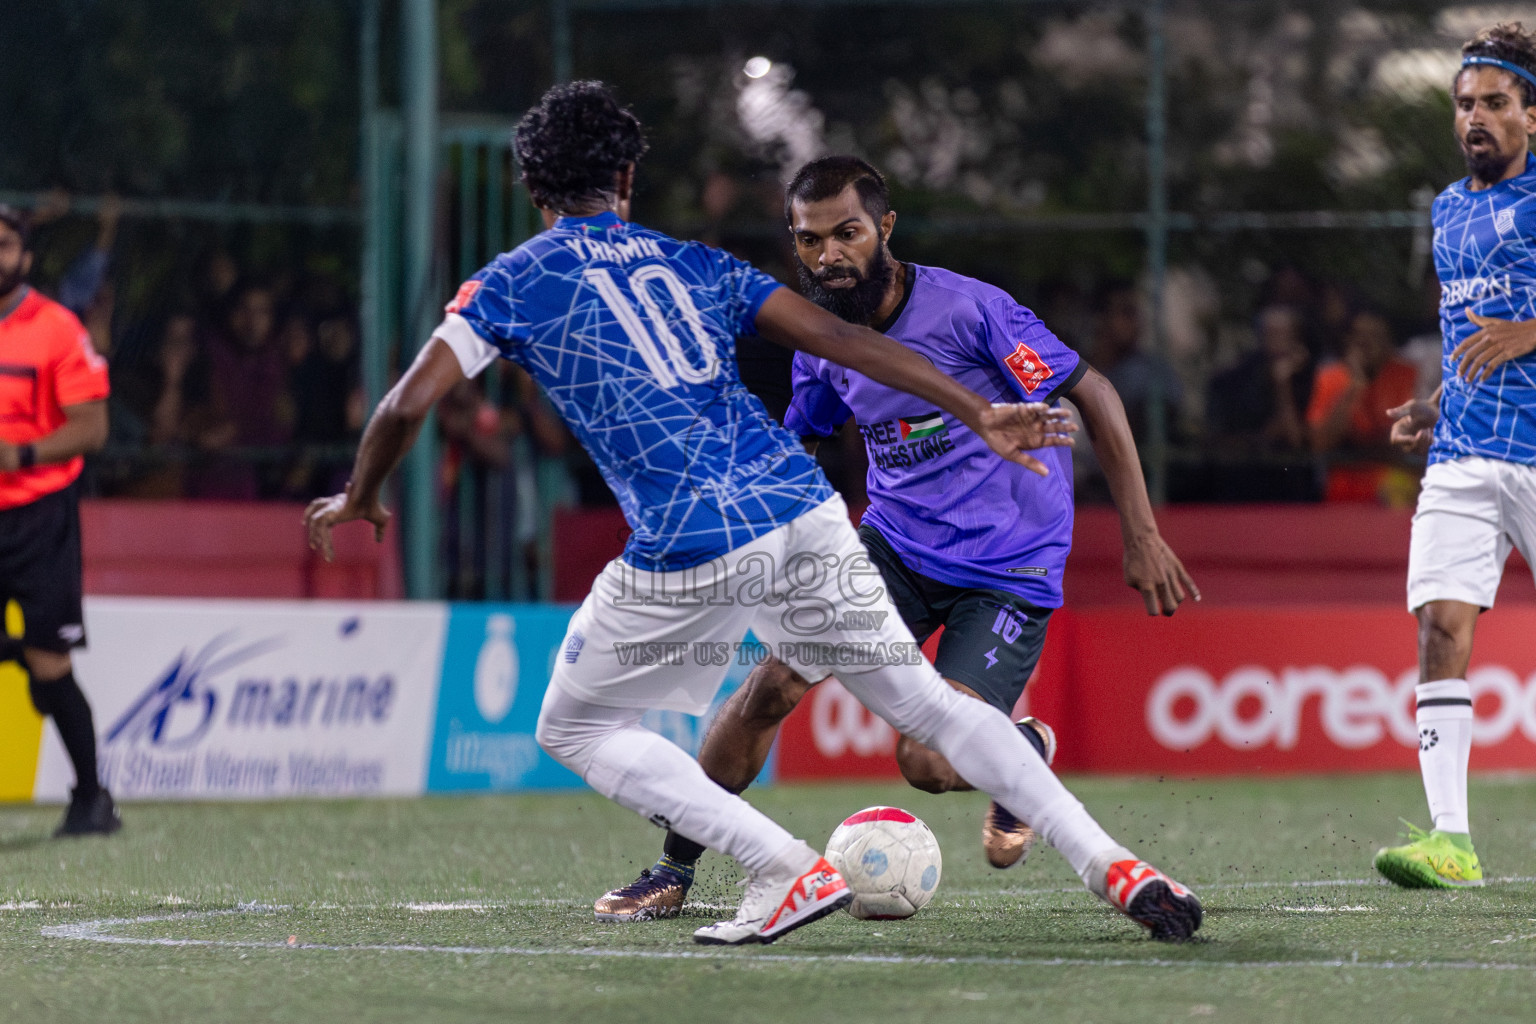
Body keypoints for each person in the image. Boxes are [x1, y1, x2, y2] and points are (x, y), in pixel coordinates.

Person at [305, 82, 1202, 944]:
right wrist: (975, 410)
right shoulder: (697, 263)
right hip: (807, 513)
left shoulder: (509, 281)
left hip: (697, 542)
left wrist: (363, 494)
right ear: (626, 181)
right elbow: (844, 344)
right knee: (913, 709)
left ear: (534, 188)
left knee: (572, 726)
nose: (827, 254)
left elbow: (403, 406)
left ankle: (780, 865)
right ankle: (1118, 868)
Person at [592, 155, 1199, 923]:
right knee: (766, 689)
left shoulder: (970, 312)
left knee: (927, 763)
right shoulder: (820, 342)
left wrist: (1140, 535)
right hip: (892, 549)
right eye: (809, 241)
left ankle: (1019, 750)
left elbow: (1095, 393)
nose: (827, 256)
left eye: (845, 233)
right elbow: (799, 444)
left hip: (1006, 567)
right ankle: (672, 869)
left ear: (883, 227)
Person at [1373, 23, 1536, 889]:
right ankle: (1451, 841)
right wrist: (1434, 405)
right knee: (1441, 626)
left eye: (1495, 103)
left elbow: (1514, 329)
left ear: (1532, 116)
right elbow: (1466, 330)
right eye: (1465, 104)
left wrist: (1533, 333)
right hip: (1466, 452)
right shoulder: (1447, 207)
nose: (1476, 117)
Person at [0, 204, 120, 836]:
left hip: (39, 516)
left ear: (26, 256)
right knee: (33, 661)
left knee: (50, 666)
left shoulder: (55, 328)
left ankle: (92, 798)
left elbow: (92, 428)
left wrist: (17, 454)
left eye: (2, 245)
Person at [1305, 306, 1418, 505]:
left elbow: (1402, 438)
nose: (1366, 343)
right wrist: (1355, 386)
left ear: (1388, 341)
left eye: (1375, 336)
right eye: (1359, 336)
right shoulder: (1330, 377)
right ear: (1348, 341)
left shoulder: (1407, 375)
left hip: (1395, 491)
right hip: (1343, 494)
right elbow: (1321, 443)